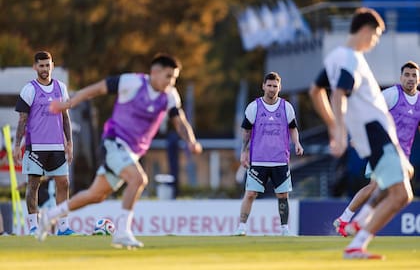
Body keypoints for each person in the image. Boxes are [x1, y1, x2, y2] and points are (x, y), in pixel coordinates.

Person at [37, 53, 202, 248]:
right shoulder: (132, 82)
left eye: (174, 78)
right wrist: (68, 103)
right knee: (139, 179)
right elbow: (96, 89)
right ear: (155, 72)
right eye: (168, 76)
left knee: (95, 195)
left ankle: (50, 216)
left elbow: (179, 120)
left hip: (131, 152)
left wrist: (191, 141)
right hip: (114, 142)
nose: (171, 82)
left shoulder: (170, 95)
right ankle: (122, 232)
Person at [309, 7, 413, 260]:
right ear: (366, 30)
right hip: (377, 134)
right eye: (376, 36)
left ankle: (359, 222)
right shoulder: (352, 59)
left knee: (406, 172)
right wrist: (339, 131)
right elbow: (338, 94)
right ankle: (358, 244)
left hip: (374, 136)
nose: (375, 42)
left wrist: (334, 125)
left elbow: (315, 90)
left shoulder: (335, 57)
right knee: (402, 194)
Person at [333, 61, 420, 237]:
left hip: (403, 155)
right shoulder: (391, 95)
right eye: (407, 75)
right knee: (377, 186)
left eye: (414, 76)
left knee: (385, 190)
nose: (410, 79)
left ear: (418, 80)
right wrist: (358, 136)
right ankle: (350, 222)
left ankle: (349, 222)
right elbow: (368, 111)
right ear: (401, 77)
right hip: (382, 149)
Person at [234, 72, 304, 236]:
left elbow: (293, 128)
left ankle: (284, 229)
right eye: (269, 85)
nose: (272, 89)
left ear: (279, 87)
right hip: (258, 160)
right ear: (263, 86)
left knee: (282, 195)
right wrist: (244, 152)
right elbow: (246, 131)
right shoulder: (254, 107)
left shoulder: (286, 107)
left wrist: (297, 143)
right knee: (250, 194)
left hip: (280, 160)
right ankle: (242, 227)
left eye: (275, 86)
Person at [13, 51, 75, 236]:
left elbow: (65, 117)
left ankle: (63, 227)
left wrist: (69, 143)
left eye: (47, 65)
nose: (45, 69)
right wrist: (18, 145)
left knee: (63, 183)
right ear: (35, 67)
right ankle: (33, 225)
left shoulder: (60, 88)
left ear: (52, 66)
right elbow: (22, 120)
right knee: (33, 185)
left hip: (57, 146)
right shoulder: (29, 89)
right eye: (41, 65)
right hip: (35, 146)